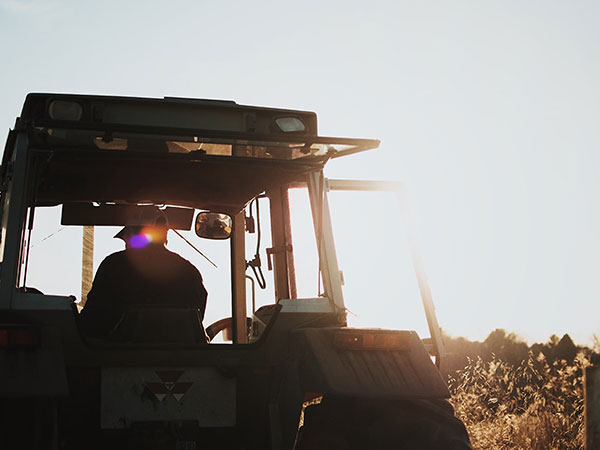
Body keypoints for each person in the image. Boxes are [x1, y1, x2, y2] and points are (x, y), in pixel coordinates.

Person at [79, 224, 208, 341]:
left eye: (126, 238)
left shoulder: (114, 265)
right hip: (184, 359)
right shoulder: (189, 271)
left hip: (119, 359)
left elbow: (92, 323)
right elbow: (196, 320)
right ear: (164, 237)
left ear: (133, 237)